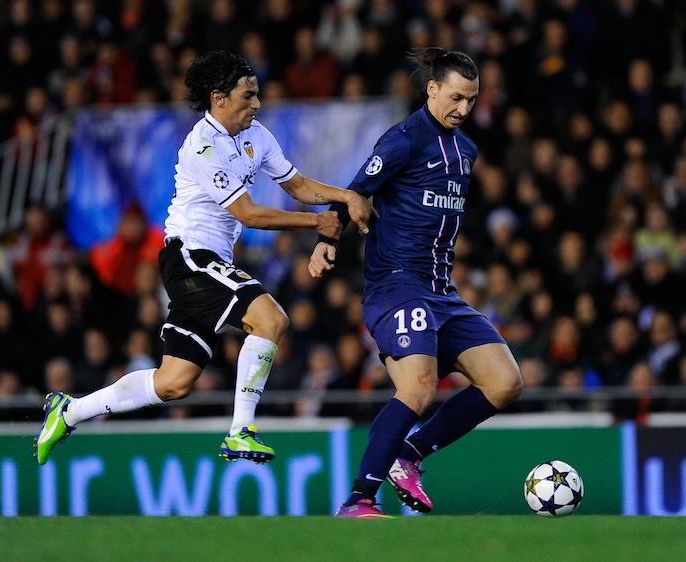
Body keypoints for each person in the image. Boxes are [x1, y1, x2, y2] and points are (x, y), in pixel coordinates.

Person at [34, 50, 373, 465]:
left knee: (173, 382)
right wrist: (314, 224)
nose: (257, 104)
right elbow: (247, 214)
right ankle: (241, 432)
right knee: (271, 319)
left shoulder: (257, 135)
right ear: (219, 98)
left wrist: (346, 195)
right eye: (248, 96)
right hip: (190, 258)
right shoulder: (203, 146)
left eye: (258, 95)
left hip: (204, 264)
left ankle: (68, 412)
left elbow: (297, 184)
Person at [310, 48, 523, 518]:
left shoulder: (466, 150)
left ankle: (411, 454)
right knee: (419, 386)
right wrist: (329, 240)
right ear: (431, 89)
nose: (463, 109)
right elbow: (355, 192)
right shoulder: (404, 139)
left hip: (441, 291)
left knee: (505, 382)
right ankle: (359, 499)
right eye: (455, 97)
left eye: (471, 100)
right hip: (396, 284)